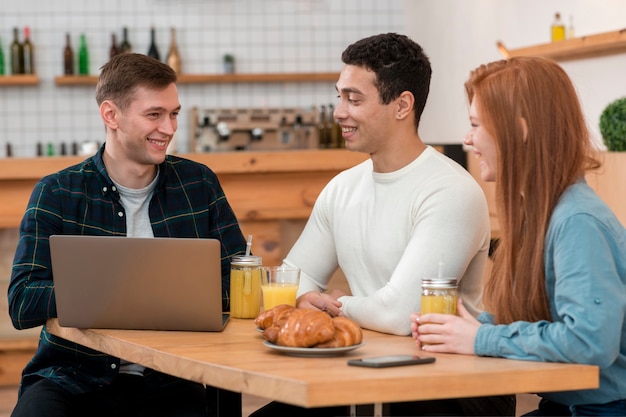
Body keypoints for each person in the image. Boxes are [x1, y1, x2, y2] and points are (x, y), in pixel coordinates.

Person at [251, 33, 515, 416]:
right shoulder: (342, 188)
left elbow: (398, 315)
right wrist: (311, 299)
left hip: (450, 388)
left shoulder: (450, 190)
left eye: (354, 99)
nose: (339, 112)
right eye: (339, 97)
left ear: (402, 105)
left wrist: (337, 304)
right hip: (366, 370)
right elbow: (290, 282)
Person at [7, 53, 248, 417]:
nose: (168, 128)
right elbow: (22, 301)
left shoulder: (199, 183)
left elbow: (239, 279)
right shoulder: (57, 192)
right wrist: (123, 291)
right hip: (72, 377)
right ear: (111, 115)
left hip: (170, 379)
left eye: (174, 114)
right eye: (154, 115)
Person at [412, 56, 626, 416]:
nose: (467, 138)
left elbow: (589, 342)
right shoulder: (543, 212)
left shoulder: (577, 221)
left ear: (521, 131)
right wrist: (475, 326)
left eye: (476, 124)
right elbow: (554, 323)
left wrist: (482, 339)